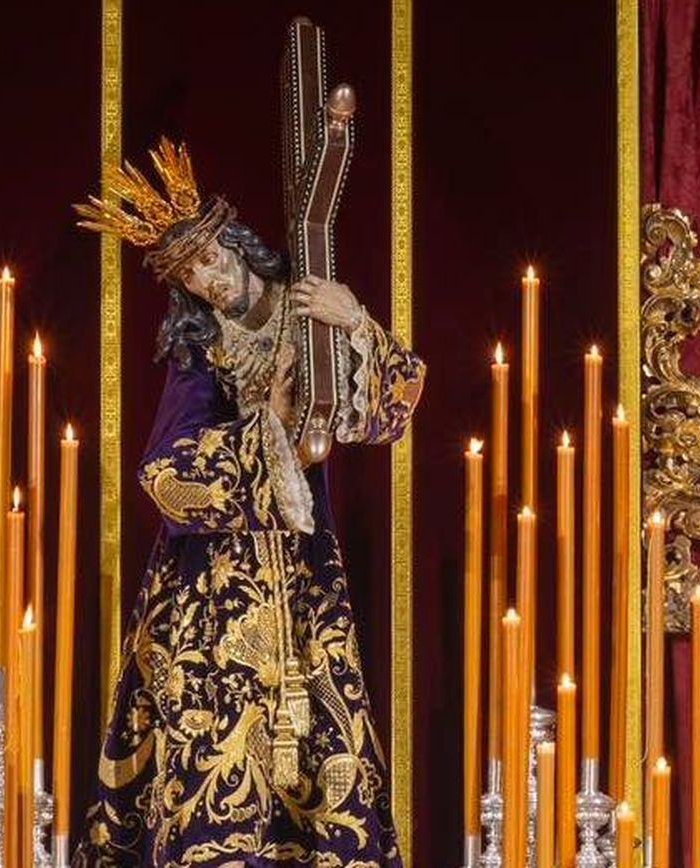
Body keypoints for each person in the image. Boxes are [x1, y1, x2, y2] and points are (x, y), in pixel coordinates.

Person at [72, 139, 424, 867]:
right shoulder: (201, 350)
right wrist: (268, 433)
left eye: (209, 258)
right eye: (189, 275)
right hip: (213, 586)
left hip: (302, 571)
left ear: (235, 243)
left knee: (322, 744)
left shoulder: (307, 306)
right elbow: (163, 472)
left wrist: (355, 319)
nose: (208, 280)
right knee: (211, 734)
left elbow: (388, 413)